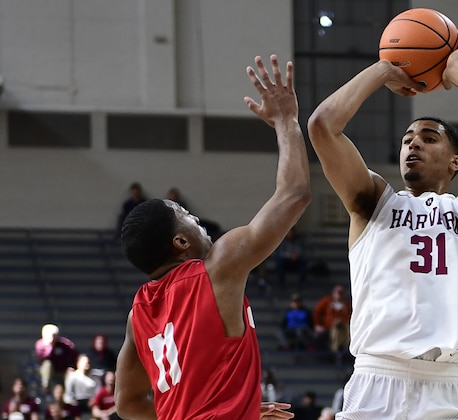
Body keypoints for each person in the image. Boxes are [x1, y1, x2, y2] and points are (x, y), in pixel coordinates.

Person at [307, 31, 458, 419]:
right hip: (376, 379)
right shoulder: (373, 201)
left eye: (428, 138)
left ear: (456, 162)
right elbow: (323, 125)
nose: (413, 145)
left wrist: (456, 71)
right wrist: (382, 70)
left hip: (448, 385)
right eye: (408, 139)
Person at [114, 54, 309, 420]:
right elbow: (294, 194)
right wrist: (286, 121)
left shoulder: (137, 313)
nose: (198, 220)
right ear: (180, 243)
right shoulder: (218, 266)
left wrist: (235, 410)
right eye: (186, 216)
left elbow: (126, 404)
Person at [35, 324, 78, 393]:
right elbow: (43, 358)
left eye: (54, 335)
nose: (53, 337)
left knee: (71, 374)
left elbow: (74, 355)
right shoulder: (40, 345)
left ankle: (70, 393)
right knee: (47, 364)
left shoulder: (65, 344)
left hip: (63, 370)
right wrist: (50, 346)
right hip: (49, 371)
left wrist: (71, 366)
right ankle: (46, 386)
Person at [312, 285, 351, 353]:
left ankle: (345, 349)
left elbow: (349, 315)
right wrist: (317, 324)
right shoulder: (327, 301)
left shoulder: (346, 304)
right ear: (333, 293)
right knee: (335, 331)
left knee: (347, 330)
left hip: (343, 326)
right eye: (338, 293)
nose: (339, 295)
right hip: (329, 326)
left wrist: (341, 321)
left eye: (341, 293)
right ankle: (334, 351)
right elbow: (316, 312)